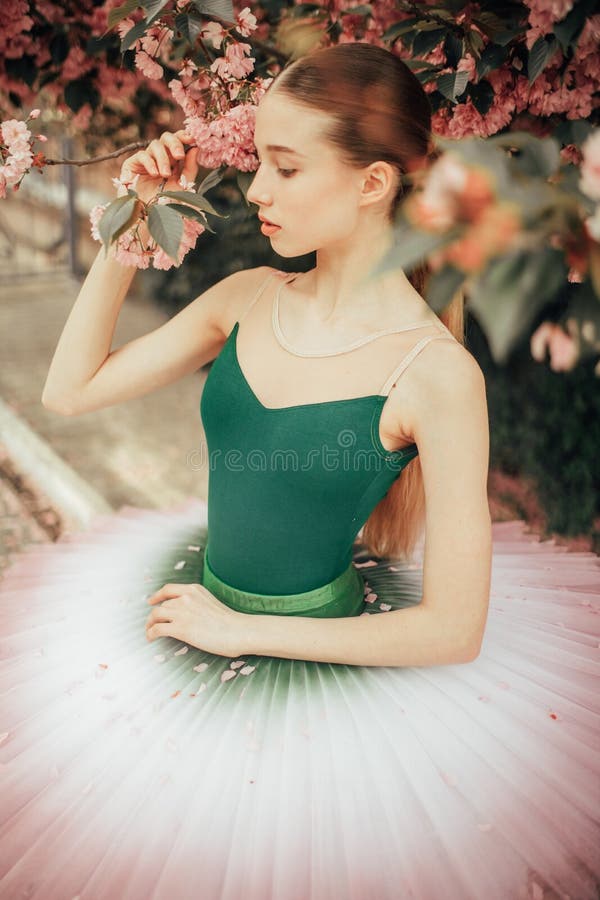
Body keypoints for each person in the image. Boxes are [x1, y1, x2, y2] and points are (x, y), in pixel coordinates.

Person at [1, 42, 598, 900]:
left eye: (285, 167)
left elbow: (452, 630)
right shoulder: (250, 299)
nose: (255, 191)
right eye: (261, 165)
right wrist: (132, 220)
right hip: (195, 625)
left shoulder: (433, 374)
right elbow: (68, 391)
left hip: (315, 681)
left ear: (372, 184)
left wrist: (242, 632)